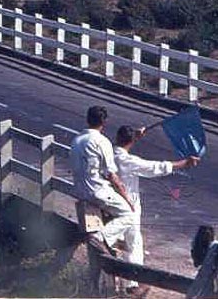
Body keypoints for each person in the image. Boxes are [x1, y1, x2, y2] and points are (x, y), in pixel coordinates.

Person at [114, 125, 200, 295]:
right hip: (127, 205)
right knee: (133, 244)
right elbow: (153, 167)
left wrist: (135, 137)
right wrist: (184, 163)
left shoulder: (110, 153)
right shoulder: (127, 161)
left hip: (109, 203)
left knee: (117, 242)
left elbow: (122, 148)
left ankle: (117, 281)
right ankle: (131, 286)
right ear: (130, 141)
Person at [70, 106, 135, 256]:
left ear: (87, 119)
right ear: (104, 122)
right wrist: (127, 199)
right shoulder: (101, 141)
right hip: (96, 191)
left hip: (79, 189)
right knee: (128, 214)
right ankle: (101, 238)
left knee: (112, 210)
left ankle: (110, 241)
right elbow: (112, 175)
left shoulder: (76, 140)